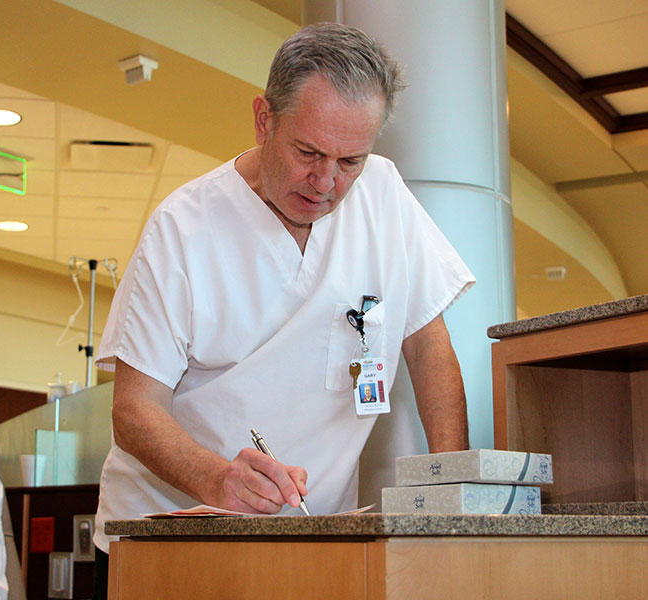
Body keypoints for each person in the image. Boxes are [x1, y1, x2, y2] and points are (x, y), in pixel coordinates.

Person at [91, 22, 474, 598]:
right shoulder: (184, 227)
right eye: (308, 153)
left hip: (315, 540)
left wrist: (454, 493)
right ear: (264, 119)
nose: (326, 182)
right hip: (169, 545)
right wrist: (217, 478)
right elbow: (134, 410)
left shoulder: (384, 194)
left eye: (350, 161)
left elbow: (428, 344)